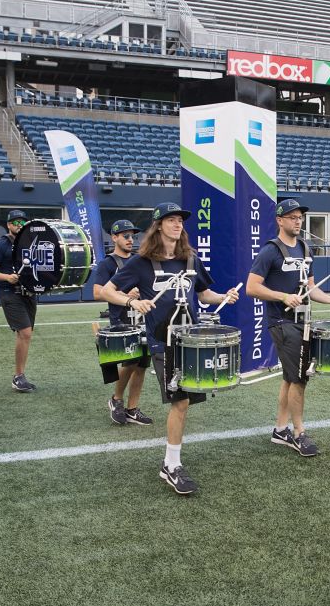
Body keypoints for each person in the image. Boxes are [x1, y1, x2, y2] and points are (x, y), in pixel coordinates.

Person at [99, 203, 239, 495]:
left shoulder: (191, 259)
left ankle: (171, 461)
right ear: (158, 226)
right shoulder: (140, 263)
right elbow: (107, 290)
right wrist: (131, 302)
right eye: (171, 220)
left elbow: (203, 293)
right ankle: (171, 465)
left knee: (185, 401)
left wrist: (223, 295)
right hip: (163, 341)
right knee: (181, 402)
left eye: (180, 221)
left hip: (191, 339)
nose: (178, 225)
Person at [246, 199, 330, 458]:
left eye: (299, 217)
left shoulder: (305, 248)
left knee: (291, 377)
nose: (297, 221)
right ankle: (299, 432)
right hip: (281, 322)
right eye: (291, 217)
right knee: (299, 379)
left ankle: (280, 429)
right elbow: (252, 287)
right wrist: (282, 296)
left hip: (303, 322)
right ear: (279, 220)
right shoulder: (271, 251)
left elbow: (311, 289)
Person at [89, 219, 152, 426]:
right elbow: (98, 293)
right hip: (121, 319)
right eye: (125, 236)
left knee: (142, 365)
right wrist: (125, 294)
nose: (130, 240)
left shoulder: (139, 260)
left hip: (143, 318)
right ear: (114, 237)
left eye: (132, 236)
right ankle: (116, 399)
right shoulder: (107, 263)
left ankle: (132, 408)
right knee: (130, 361)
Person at [0, 209, 38, 392]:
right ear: (8, 225)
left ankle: (21, 375)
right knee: (25, 333)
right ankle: (18, 376)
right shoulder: (1, 244)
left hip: (29, 294)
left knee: (26, 334)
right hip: (10, 293)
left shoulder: (30, 244)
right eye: (15, 222)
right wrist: (7, 277)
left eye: (22, 222)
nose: (19, 225)